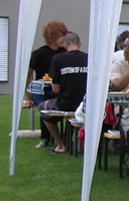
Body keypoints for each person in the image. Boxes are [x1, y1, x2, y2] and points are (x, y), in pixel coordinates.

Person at [37, 32, 88, 154]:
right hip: (85, 105)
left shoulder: (58, 59)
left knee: (42, 108)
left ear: (65, 45)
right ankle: (79, 143)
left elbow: (56, 89)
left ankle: (61, 144)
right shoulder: (89, 58)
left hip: (66, 103)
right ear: (79, 44)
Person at [23, 20, 68, 148]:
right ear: (51, 37)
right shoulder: (40, 53)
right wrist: (27, 97)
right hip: (41, 89)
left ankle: (59, 135)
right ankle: (45, 137)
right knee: (44, 105)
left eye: (64, 35)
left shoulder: (64, 53)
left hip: (57, 88)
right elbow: (28, 74)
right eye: (60, 35)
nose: (63, 38)